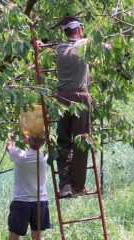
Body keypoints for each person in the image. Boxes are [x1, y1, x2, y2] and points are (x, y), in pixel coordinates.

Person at [55, 17, 91, 198]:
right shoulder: (86, 44)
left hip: (60, 98)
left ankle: (65, 185)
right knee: (81, 141)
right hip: (80, 97)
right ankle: (78, 185)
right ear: (79, 29)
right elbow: (107, 46)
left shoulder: (58, 49)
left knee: (63, 142)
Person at [6, 134, 51, 240]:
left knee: (14, 233)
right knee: (37, 235)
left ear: (29, 140)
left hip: (21, 201)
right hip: (40, 201)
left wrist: (12, 136)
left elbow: (8, 146)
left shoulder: (20, 155)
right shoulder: (44, 157)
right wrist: (30, 141)